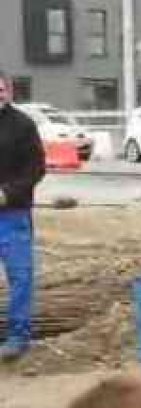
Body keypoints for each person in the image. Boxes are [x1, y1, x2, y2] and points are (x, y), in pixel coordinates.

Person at [0, 70, 46, 362]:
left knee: (20, 277)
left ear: (8, 91)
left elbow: (36, 168)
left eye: (1, 89)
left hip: (13, 214)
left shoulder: (23, 125)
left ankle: (18, 336)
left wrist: (7, 194)